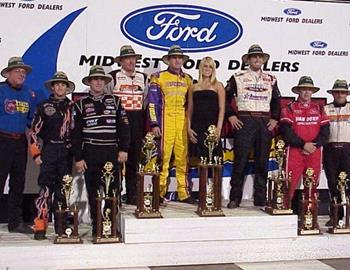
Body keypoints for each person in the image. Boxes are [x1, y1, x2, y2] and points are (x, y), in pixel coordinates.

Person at [71, 65, 130, 235]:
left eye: (101, 79)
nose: (98, 82)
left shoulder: (116, 101)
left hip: (111, 150)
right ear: (89, 82)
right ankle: (97, 226)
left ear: (105, 82)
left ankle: (111, 226)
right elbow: (75, 134)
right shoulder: (80, 104)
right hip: (90, 151)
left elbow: (125, 127)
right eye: (95, 79)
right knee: (93, 191)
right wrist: (79, 158)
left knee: (113, 190)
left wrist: (124, 149)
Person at [225, 44, 281, 208]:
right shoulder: (238, 76)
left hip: (264, 121)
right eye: (254, 56)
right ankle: (235, 198)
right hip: (245, 119)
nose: (257, 59)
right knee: (240, 160)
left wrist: (276, 118)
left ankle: (260, 197)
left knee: (262, 161)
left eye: (260, 57)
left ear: (263, 60)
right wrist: (231, 115)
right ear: (248, 59)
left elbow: (277, 100)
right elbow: (226, 97)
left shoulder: (271, 78)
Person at [29, 71, 75, 239]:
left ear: (67, 87)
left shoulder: (73, 106)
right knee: (45, 191)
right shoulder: (43, 106)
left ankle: (62, 227)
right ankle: (40, 227)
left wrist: (77, 154)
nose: (60, 87)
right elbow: (33, 132)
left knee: (63, 190)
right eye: (57, 84)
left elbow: (77, 133)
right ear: (53, 87)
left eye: (63, 84)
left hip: (66, 152)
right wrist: (36, 154)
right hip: (49, 150)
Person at [147, 45, 194, 204]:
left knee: (182, 159)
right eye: (174, 57)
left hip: (181, 121)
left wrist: (190, 125)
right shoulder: (158, 77)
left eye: (180, 57)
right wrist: (154, 124)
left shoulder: (188, 79)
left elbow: (190, 105)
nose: (177, 60)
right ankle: (159, 193)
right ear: (168, 60)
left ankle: (184, 193)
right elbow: (152, 103)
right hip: (165, 121)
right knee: (163, 159)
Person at [105, 45, 148, 205]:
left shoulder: (143, 77)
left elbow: (146, 102)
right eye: (127, 59)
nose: (131, 61)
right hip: (118, 123)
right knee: (116, 161)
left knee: (134, 161)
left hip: (137, 120)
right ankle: (115, 194)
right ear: (121, 61)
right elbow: (107, 100)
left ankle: (132, 195)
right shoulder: (113, 77)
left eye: (133, 58)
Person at [0, 56, 37, 233]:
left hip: (20, 141)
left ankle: (15, 222)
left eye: (24, 72)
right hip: (2, 139)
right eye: (18, 71)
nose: (22, 74)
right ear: (8, 73)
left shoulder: (28, 93)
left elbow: (31, 120)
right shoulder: (0, 90)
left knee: (18, 182)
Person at [280, 76, 330, 202]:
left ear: (313, 92)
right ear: (298, 91)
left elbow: (325, 132)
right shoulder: (289, 108)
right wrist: (303, 145)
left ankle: (310, 218)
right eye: (304, 89)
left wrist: (314, 145)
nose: (307, 92)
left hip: (314, 151)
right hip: (295, 151)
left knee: (312, 186)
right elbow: (286, 132)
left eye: (309, 89)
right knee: (288, 185)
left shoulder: (319, 108)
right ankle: (285, 214)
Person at [187, 56, 225, 161]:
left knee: (214, 160)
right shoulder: (193, 87)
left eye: (210, 67)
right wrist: (188, 128)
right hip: (197, 127)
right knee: (198, 160)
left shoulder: (218, 86)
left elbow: (222, 108)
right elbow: (190, 109)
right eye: (205, 66)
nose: (207, 69)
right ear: (200, 68)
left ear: (213, 69)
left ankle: (215, 178)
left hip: (212, 128)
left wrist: (218, 129)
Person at [323, 79, 350, 226]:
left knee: (349, 184)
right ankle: (335, 216)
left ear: (347, 94)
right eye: (337, 92)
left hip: (348, 149)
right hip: (330, 150)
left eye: (343, 92)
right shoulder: (326, 109)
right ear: (333, 93)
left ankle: (349, 218)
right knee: (333, 184)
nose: (340, 94)